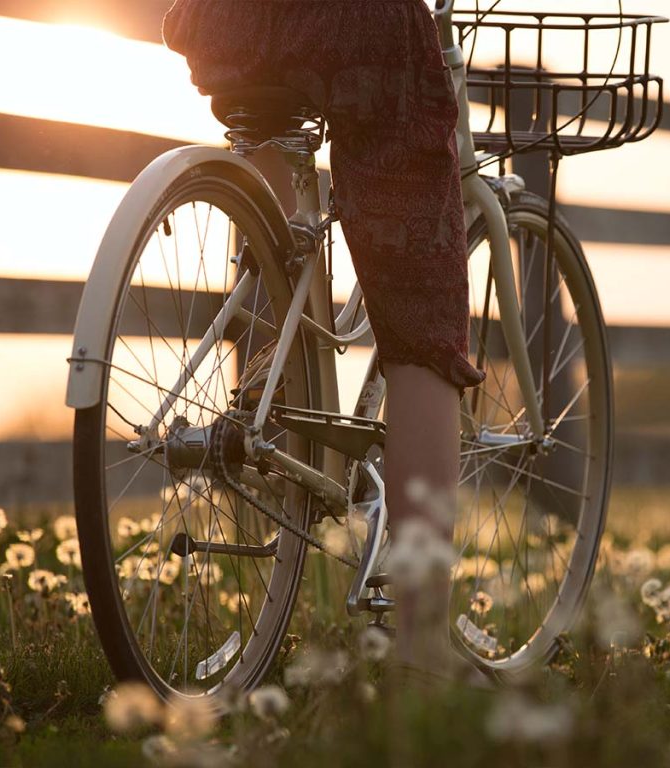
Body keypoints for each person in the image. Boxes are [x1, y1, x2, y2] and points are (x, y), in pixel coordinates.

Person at [161, 0, 485, 681]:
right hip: (356, 25)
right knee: (423, 319)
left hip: (226, 19)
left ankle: (270, 411)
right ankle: (423, 647)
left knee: (273, 185)